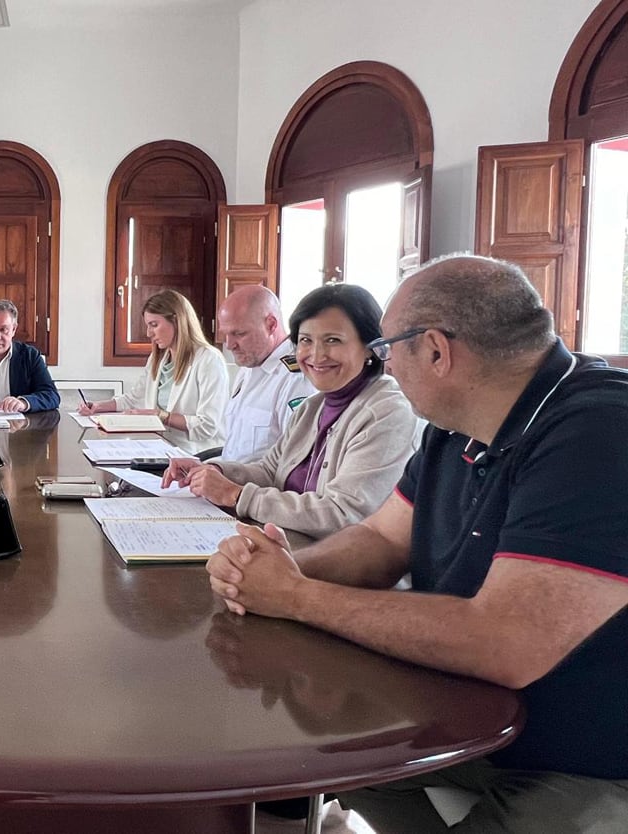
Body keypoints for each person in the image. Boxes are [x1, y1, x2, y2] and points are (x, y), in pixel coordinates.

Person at [207, 255, 628, 833]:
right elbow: (381, 538)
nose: (385, 365)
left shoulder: (600, 431)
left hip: (589, 759)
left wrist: (297, 598)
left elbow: (506, 643)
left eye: (387, 347)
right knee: (322, 754)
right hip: (463, 717)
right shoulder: (454, 426)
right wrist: (273, 571)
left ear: (435, 350)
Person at [163, 284, 419, 543]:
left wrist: (237, 495)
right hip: (284, 547)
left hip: (334, 568)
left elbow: (343, 513)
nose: (316, 355)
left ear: (369, 346)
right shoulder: (313, 407)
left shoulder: (387, 412)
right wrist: (213, 470)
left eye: (333, 340)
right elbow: (270, 472)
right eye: (306, 340)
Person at [77, 289, 229, 448]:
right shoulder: (159, 359)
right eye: (148, 326)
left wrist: (160, 415)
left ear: (177, 321)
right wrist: (98, 406)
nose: (149, 333)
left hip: (194, 454)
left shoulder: (209, 360)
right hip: (160, 448)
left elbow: (208, 426)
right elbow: (134, 399)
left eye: (154, 325)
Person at [215, 285, 317, 462]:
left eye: (239, 333)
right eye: (226, 334)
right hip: (228, 480)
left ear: (271, 324)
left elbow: (297, 463)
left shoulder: (297, 378)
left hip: (255, 488)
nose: (230, 345)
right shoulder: (249, 366)